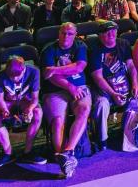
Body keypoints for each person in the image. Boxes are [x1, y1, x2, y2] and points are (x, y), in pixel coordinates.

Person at [41, 22, 90, 179]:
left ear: (75, 35)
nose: (66, 36)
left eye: (70, 34)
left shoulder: (80, 46)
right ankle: (63, 160)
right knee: (57, 121)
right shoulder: (49, 49)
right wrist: (69, 86)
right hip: (55, 90)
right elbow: (49, 78)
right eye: (63, 33)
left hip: (80, 86)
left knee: (83, 109)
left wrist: (55, 69)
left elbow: (79, 67)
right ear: (59, 32)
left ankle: (68, 152)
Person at [88, 20, 138, 151]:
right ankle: (102, 139)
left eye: (114, 30)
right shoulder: (95, 50)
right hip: (104, 90)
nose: (112, 34)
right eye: (108, 31)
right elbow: (97, 77)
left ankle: (126, 130)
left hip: (124, 86)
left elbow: (131, 66)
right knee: (102, 104)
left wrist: (135, 84)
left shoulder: (123, 44)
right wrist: (113, 94)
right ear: (100, 35)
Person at [0, 56, 47, 165]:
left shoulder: (34, 72)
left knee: (38, 113)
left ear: (24, 69)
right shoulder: (1, 75)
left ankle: (27, 152)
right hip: (8, 102)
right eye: (11, 77)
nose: (15, 79)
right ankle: (8, 153)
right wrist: (4, 109)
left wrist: (30, 109)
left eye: (17, 76)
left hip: (26, 101)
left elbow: (35, 99)